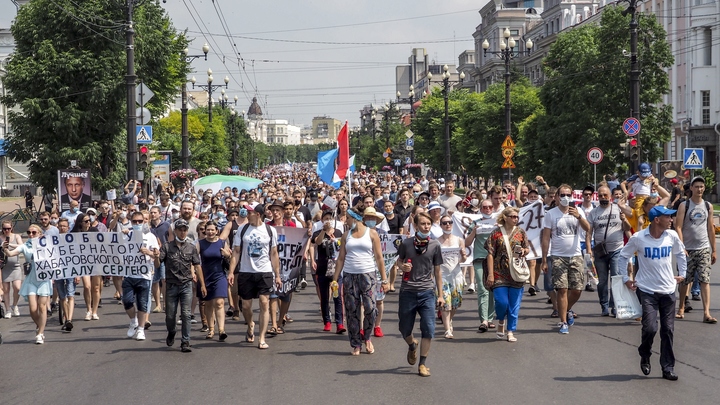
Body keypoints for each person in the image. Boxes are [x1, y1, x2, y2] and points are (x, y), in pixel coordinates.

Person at [618, 206, 686, 381]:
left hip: (668, 290)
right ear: (657, 219)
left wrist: (683, 274)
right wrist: (625, 278)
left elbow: (680, 254)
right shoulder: (639, 238)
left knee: (668, 330)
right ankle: (645, 353)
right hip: (647, 290)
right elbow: (623, 256)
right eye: (668, 217)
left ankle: (668, 367)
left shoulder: (672, 236)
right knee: (650, 328)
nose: (671, 220)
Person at [332, 206, 388, 356]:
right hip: (350, 275)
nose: (346, 221)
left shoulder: (372, 234)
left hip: (368, 275)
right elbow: (341, 258)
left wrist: (384, 279)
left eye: (348, 218)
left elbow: (379, 258)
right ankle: (356, 343)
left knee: (370, 308)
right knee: (352, 310)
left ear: (355, 218)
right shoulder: (346, 235)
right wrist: (335, 279)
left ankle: (367, 337)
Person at [227, 203, 282, 350]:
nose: (246, 214)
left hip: (264, 271)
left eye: (249, 212)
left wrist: (277, 275)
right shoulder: (242, 229)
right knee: (246, 305)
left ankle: (261, 338)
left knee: (265, 302)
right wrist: (231, 272)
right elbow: (236, 252)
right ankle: (250, 323)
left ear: (258, 214)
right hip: (246, 271)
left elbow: (274, 254)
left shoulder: (270, 231)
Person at [397, 211, 444, 377]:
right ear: (415, 226)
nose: (426, 227)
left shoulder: (435, 245)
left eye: (428, 224)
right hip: (408, 291)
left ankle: (422, 364)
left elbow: (438, 271)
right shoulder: (407, 244)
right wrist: (402, 267)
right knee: (404, 328)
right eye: (423, 224)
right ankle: (411, 345)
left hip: (427, 292)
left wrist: (440, 295)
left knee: (428, 329)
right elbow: (399, 260)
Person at [541, 184, 590, 334]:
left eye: (568, 195)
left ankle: (566, 309)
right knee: (562, 289)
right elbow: (546, 237)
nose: (565, 198)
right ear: (556, 197)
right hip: (558, 256)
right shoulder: (551, 214)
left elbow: (588, 228)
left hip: (575, 255)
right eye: (562, 195)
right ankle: (563, 322)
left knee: (577, 289)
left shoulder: (577, 211)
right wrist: (544, 259)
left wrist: (579, 217)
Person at [674, 176, 716, 323]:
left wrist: (714, 249)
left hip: (703, 248)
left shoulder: (708, 206)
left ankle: (706, 313)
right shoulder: (684, 205)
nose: (699, 189)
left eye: (701, 186)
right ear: (691, 188)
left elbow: (710, 228)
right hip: (687, 249)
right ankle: (681, 307)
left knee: (705, 280)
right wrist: (681, 247)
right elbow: (678, 227)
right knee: (685, 280)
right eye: (696, 186)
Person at [485, 207, 529, 342]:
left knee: (514, 305)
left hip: (516, 273)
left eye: (517, 216)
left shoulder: (521, 232)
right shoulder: (496, 233)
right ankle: (500, 321)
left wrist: (524, 251)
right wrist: (490, 274)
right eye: (513, 216)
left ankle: (510, 330)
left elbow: (527, 248)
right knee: (501, 302)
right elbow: (490, 254)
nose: (516, 219)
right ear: (505, 217)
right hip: (499, 273)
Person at [4, 225, 51, 344]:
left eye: (33, 232)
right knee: (32, 309)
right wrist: (5, 249)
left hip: (44, 279)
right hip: (31, 280)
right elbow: (10, 254)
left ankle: (40, 333)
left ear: (39, 233)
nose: (30, 234)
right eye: (29, 232)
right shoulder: (25, 246)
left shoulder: (47, 245)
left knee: (42, 306)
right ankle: (39, 325)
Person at [160, 219, 201, 352]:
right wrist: (154, 256)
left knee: (186, 313)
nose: (182, 232)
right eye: (180, 230)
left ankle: (185, 341)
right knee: (170, 315)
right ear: (175, 230)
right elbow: (157, 262)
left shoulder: (191, 248)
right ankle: (172, 331)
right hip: (171, 285)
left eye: (184, 230)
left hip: (186, 284)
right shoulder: (167, 246)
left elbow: (197, 266)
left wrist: (202, 284)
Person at [586, 185, 628, 316]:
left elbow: (627, 228)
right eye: (600, 195)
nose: (603, 197)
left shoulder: (618, 209)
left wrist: (624, 219)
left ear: (610, 196)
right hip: (600, 252)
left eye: (605, 195)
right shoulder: (594, 212)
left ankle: (615, 306)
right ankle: (604, 306)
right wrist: (589, 250)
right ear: (597, 197)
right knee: (602, 281)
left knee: (616, 279)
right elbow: (588, 233)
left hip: (617, 250)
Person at [122, 212, 160, 342]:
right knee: (127, 302)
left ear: (144, 222)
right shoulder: (126, 235)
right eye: (135, 221)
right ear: (131, 222)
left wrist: (149, 252)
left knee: (142, 304)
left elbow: (157, 257)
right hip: (129, 274)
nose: (137, 224)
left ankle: (141, 329)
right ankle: (133, 321)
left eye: (140, 221)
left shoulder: (151, 237)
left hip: (144, 275)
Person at [465, 200, 498, 333]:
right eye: (485, 207)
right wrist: (474, 231)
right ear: (481, 209)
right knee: (483, 288)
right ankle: (483, 320)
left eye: (490, 207)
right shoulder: (476, 223)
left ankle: (490, 318)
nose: (488, 209)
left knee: (492, 289)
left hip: (495, 261)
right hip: (480, 259)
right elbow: (467, 242)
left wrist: (499, 228)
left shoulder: (497, 222)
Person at [311, 209, 345, 333]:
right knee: (324, 297)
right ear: (321, 220)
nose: (328, 220)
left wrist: (335, 241)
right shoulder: (317, 232)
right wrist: (324, 231)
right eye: (325, 218)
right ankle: (327, 321)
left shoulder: (338, 232)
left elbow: (343, 247)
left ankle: (340, 323)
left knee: (338, 296)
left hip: (336, 270)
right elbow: (317, 242)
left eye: (330, 218)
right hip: (322, 269)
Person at [196, 221, 232, 341]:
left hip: (219, 275)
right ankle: (211, 329)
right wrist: (193, 273)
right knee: (209, 303)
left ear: (217, 231)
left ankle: (221, 330)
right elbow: (194, 261)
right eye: (208, 230)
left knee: (219, 302)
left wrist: (227, 255)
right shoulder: (200, 244)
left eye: (213, 230)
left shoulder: (222, 242)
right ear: (204, 231)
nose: (210, 232)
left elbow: (230, 258)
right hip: (205, 276)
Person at [437, 214, 467, 339]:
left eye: (449, 222)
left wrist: (463, 255)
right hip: (443, 275)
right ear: (441, 225)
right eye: (444, 223)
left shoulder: (459, 240)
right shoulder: (437, 242)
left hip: (456, 274)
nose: (447, 224)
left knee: (455, 304)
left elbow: (462, 260)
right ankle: (447, 330)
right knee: (445, 304)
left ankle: (449, 321)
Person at [1, 221, 23, 318]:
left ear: (11, 228)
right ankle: (8, 310)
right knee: (6, 290)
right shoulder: (0, 238)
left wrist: (10, 244)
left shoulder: (16, 236)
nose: (6, 230)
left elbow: (21, 246)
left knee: (17, 288)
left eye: (8, 228)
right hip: (4, 267)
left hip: (15, 266)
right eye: (4, 229)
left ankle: (15, 305)